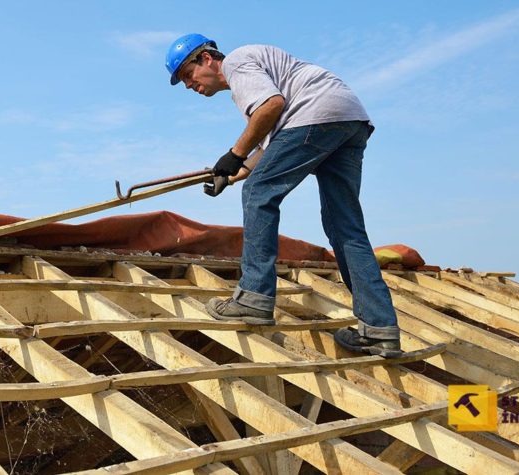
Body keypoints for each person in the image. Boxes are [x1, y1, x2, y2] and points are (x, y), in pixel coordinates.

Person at [165, 33, 402, 357]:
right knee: (344, 227)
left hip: (315, 114)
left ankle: (253, 297)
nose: (190, 85)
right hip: (347, 118)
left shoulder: (235, 63)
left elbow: (272, 108)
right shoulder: (253, 81)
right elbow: (269, 147)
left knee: (259, 193)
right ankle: (379, 330)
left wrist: (233, 154)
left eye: (187, 75)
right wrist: (230, 175)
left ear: (206, 58)